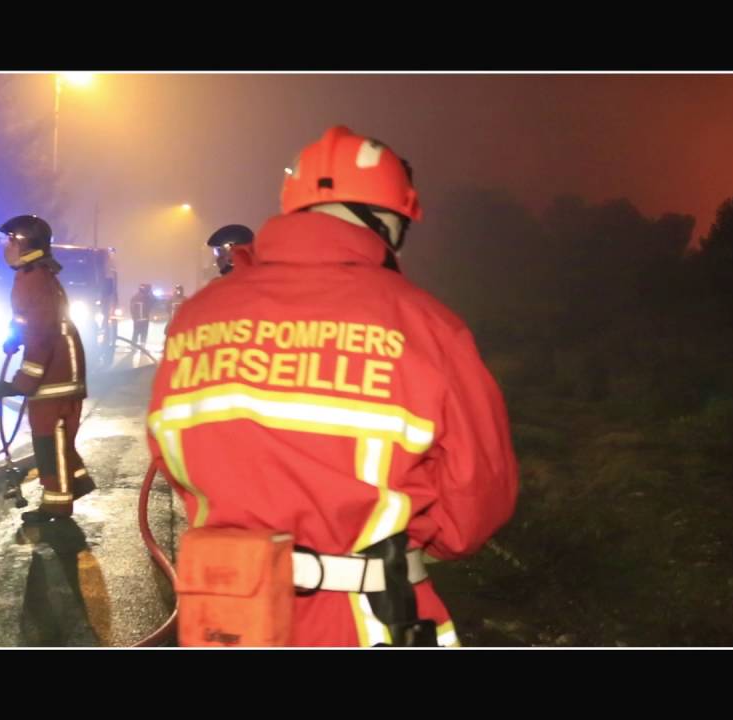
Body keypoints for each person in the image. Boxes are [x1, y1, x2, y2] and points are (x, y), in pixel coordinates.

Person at [145, 126, 518, 646]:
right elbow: (478, 497)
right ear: (387, 219)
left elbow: (169, 457)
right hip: (369, 621)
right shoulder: (427, 326)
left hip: (226, 622)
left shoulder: (195, 318)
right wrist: (420, 542)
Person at [0, 214, 95, 523]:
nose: (1, 249)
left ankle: (57, 505)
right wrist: (13, 337)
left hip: (56, 377)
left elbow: (41, 335)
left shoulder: (33, 280)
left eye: (5, 242)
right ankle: (76, 482)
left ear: (21, 243)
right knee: (55, 439)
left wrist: (19, 384)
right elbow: (27, 321)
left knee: (50, 441)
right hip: (58, 373)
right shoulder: (31, 276)